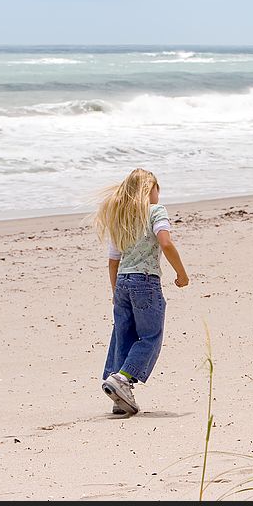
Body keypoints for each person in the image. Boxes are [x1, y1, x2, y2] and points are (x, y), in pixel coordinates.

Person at [93, 168, 189, 415]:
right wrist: (181, 273)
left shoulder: (121, 218)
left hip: (123, 282)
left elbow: (113, 260)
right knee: (150, 335)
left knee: (122, 335)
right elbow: (165, 243)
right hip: (146, 281)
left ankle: (119, 395)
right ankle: (122, 379)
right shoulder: (156, 211)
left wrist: (116, 292)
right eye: (158, 188)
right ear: (150, 189)